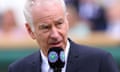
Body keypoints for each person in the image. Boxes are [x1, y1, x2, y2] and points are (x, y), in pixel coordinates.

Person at [8, 0, 119, 72]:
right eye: (45, 27)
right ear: (30, 31)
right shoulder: (18, 69)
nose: (55, 34)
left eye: (59, 24)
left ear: (67, 21)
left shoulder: (99, 62)